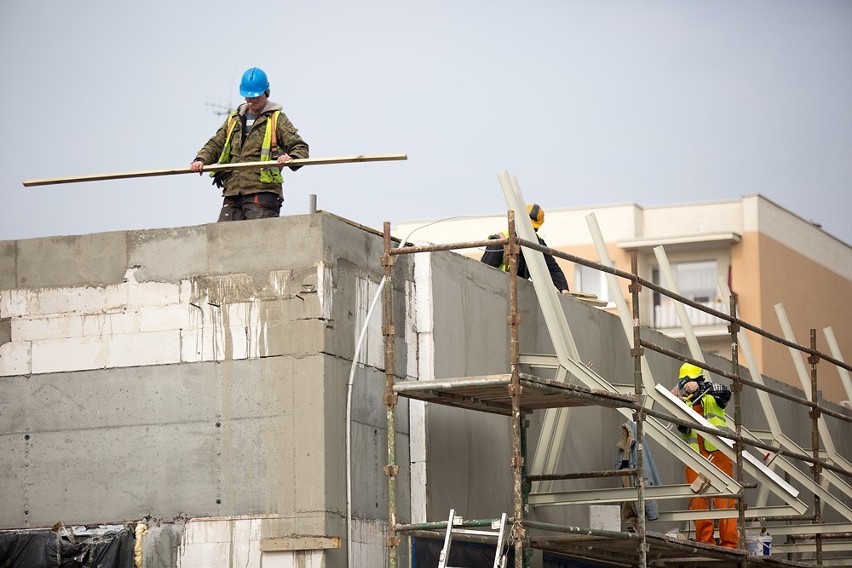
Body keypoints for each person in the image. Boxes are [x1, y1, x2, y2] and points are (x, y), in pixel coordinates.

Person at [190, 67, 309, 221]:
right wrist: (200, 159)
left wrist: (291, 158)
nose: (251, 101)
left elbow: (300, 147)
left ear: (266, 93)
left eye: (255, 97)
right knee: (224, 239)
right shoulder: (234, 119)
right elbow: (216, 143)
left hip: (262, 192)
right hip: (233, 190)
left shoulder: (276, 119)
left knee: (259, 240)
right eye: (248, 97)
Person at [670, 362, 737, 549]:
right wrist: (677, 403)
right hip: (695, 458)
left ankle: (729, 544)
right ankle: (705, 542)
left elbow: (725, 392)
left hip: (718, 454)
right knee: (698, 501)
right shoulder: (686, 404)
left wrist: (702, 388)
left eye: (691, 383)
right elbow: (683, 427)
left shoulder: (713, 397)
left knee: (725, 501)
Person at [480, 204, 570, 294]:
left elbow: (553, 269)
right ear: (519, 223)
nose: (530, 232)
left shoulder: (537, 243)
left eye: (533, 229)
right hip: (498, 292)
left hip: (521, 294)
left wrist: (564, 289)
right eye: (527, 227)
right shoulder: (500, 241)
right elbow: (483, 274)